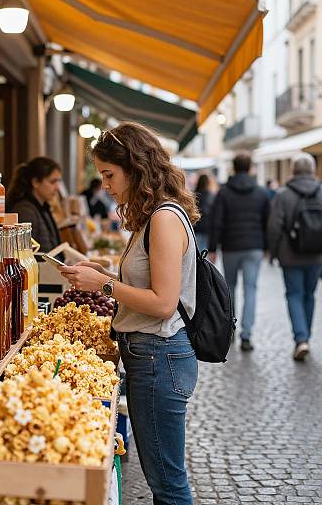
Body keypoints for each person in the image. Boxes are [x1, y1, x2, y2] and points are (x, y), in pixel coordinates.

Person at [60, 122, 199, 505]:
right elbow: (148, 286)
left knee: (168, 484)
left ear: (135, 167)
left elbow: (163, 302)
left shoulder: (164, 219)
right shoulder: (152, 216)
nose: (104, 185)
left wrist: (103, 286)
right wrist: (102, 274)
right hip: (150, 355)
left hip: (160, 356)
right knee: (163, 479)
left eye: (108, 174)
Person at [208, 153, 270, 351]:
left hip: (231, 247)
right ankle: (247, 335)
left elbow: (216, 221)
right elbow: (267, 222)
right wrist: (267, 247)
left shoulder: (224, 192)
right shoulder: (260, 192)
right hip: (254, 247)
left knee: (230, 288)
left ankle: (231, 329)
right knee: (251, 289)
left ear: (233, 168)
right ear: (250, 168)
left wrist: (212, 248)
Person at [267, 153, 322, 361]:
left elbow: (274, 227)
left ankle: (301, 339)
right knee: (309, 295)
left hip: (290, 255)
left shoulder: (283, 195)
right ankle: (305, 336)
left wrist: (273, 253)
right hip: (316, 255)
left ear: (293, 171)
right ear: (313, 170)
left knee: (294, 295)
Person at [6, 157, 62, 253]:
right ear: (35, 182)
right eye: (52, 182)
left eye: (58, 181)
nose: (57, 187)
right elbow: (26, 253)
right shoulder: (25, 211)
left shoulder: (42, 206)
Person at [193, 173, 214, 251]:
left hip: (196, 227)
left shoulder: (193, 195)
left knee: (197, 253)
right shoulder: (211, 196)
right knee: (205, 254)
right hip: (208, 228)